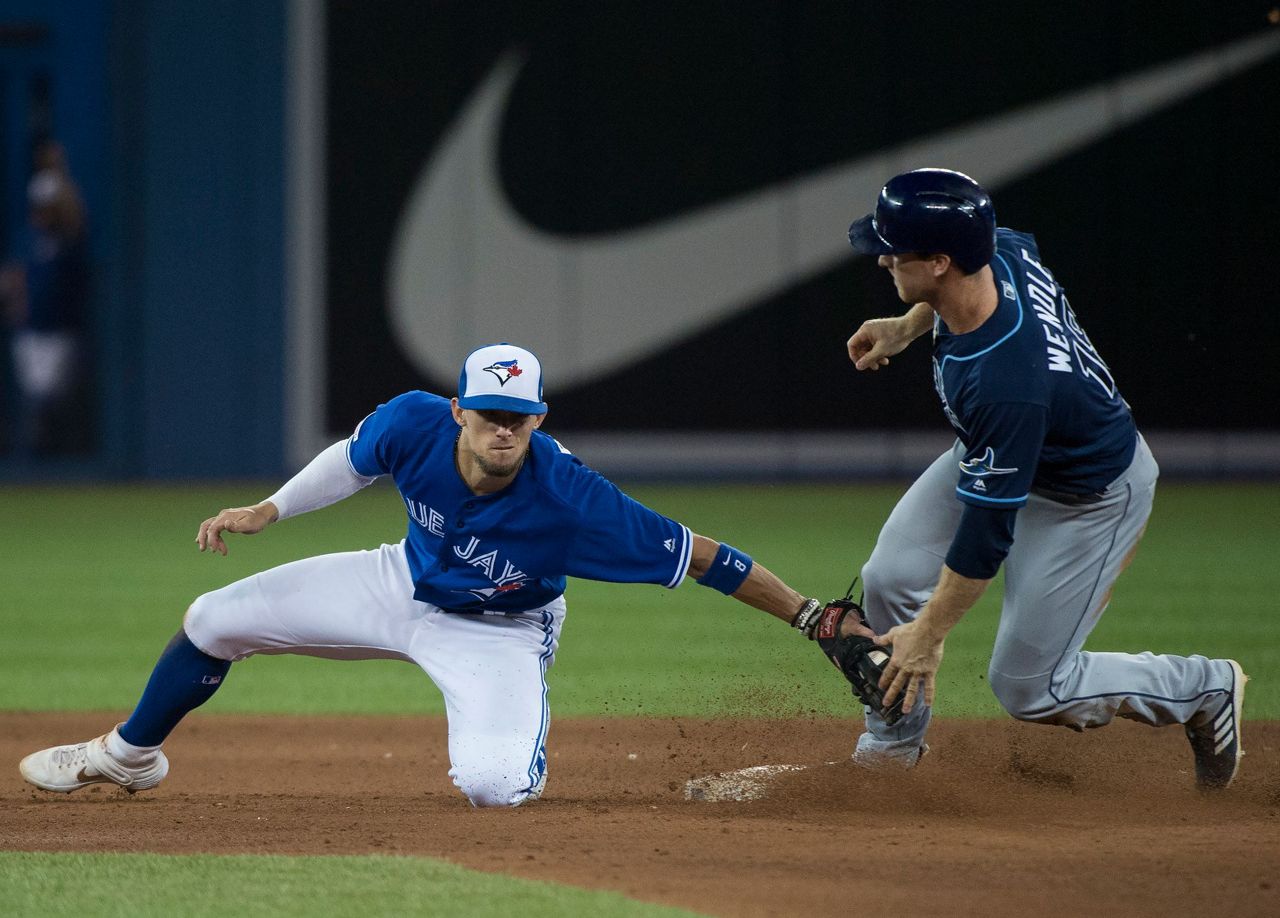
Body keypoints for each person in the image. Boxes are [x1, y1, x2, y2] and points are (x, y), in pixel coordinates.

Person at [19, 343, 842, 806]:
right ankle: (127, 756)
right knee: (212, 618)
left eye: (521, 419)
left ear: (540, 419)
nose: (505, 431)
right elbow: (349, 463)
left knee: (490, 790)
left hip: (502, 629)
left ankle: (523, 752)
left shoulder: (575, 500)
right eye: (491, 415)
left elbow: (702, 555)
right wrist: (269, 511)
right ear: (459, 410)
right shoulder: (413, 423)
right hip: (397, 584)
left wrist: (809, 616)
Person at [843, 168, 1245, 789]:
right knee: (890, 577)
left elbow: (983, 542)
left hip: (1088, 495)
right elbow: (974, 274)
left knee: (1030, 687)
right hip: (1007, 450)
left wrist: (929, 633)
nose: (883, 258)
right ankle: (894, 749)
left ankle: (1201, 687)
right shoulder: (999, 250)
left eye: (895, 249)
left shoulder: (1008, 383)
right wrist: (906, 325)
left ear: (942, 261)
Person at [0, 141, 91, 457]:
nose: (43, 212)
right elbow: (13, 275)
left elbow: (75, 214)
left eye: (49, 205)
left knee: (58, 403)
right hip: (30, 330)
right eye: (40, 206)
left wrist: (58, 170)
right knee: (34, 404)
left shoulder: (67, 236)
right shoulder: (27, 237)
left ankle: (62, 465)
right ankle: (33, 468)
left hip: (60, 329)